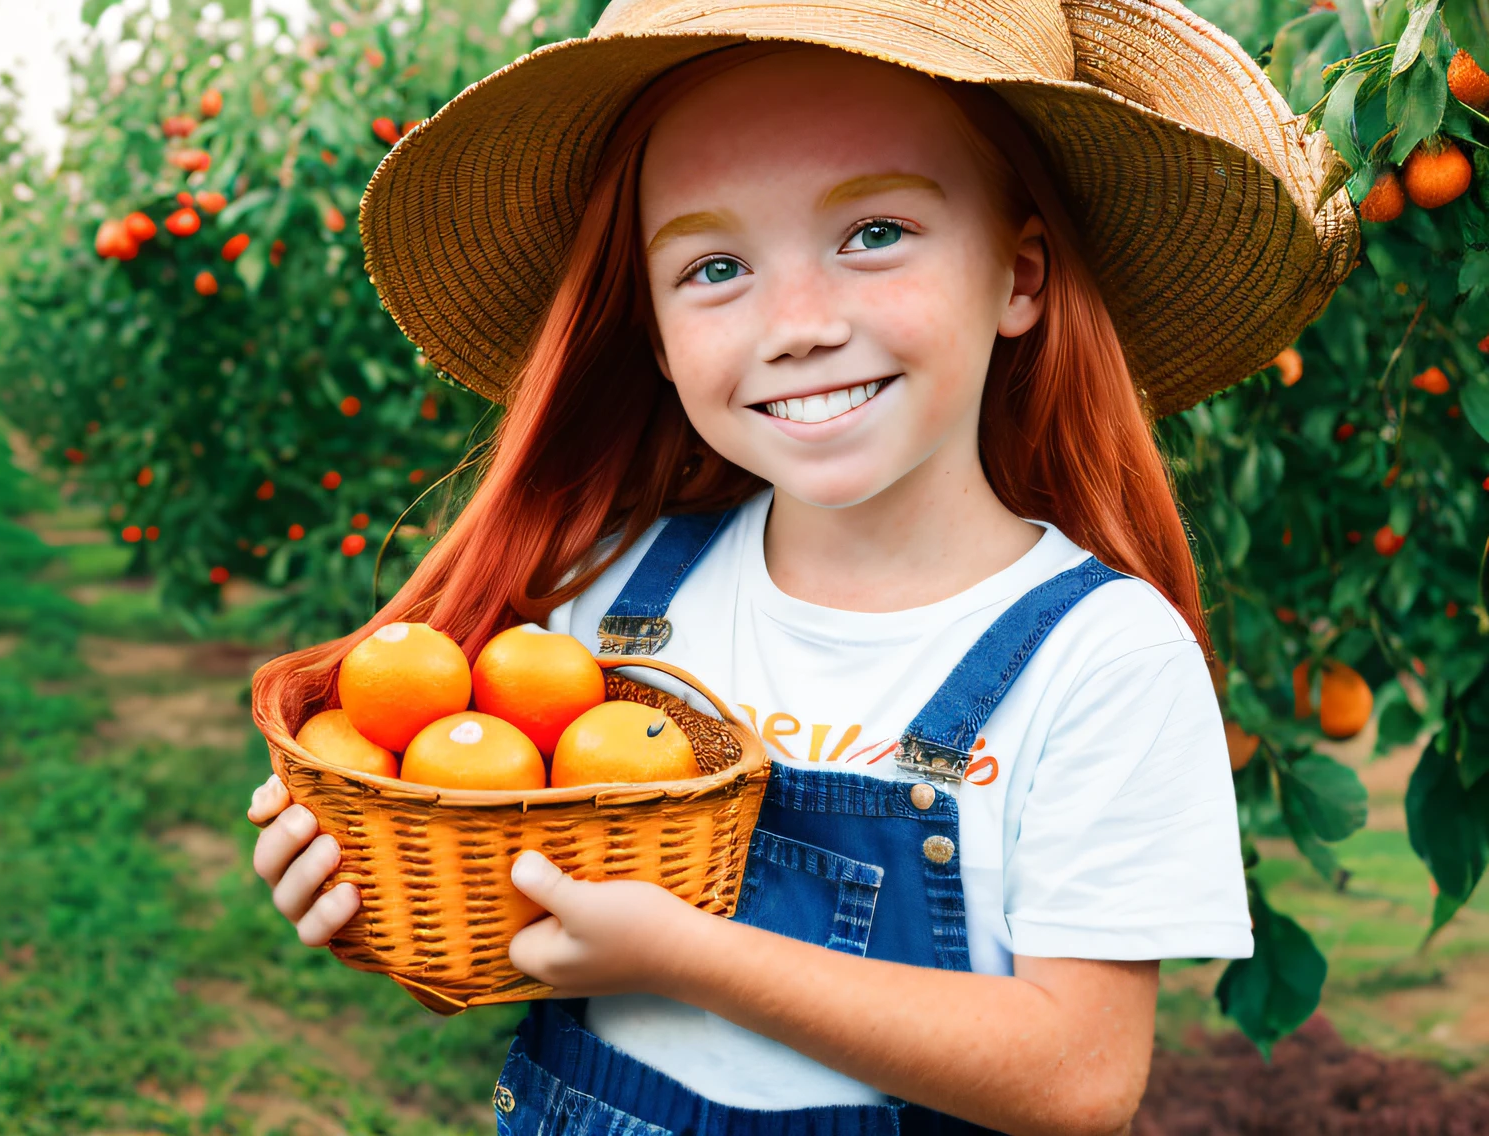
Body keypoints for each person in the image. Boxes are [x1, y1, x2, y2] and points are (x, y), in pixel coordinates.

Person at [248, 0, 1357, 1130]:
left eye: (872, 233)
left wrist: (693, 956)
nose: (796, 323)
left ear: (1019, 277)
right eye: (715, 264)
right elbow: (526, 921)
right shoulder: (608, 597)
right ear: (656, 336)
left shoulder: (1098, 654)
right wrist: (388, 901)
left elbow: (1075, 1076)